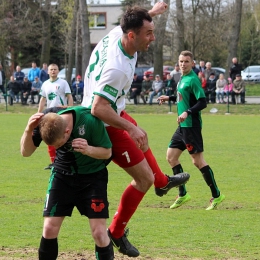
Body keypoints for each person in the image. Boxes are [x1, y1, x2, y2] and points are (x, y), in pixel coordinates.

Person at [82, 4, 190, 257]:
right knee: (144, 179)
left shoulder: (117, 35)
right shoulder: (117, 68)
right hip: (102, 123)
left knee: (140, 136)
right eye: (149, 33)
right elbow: (99, 108)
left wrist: (151, 12)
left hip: (112, 110)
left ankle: (162, 182)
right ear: (132, 35)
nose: (153, 38)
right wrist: (129, 127)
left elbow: (135, 22)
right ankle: (116, 233)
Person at [20, 106, 114, 260]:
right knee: (49, 228)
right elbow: (26, 152)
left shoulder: (89, 120)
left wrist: (88, 149)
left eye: (58, 144)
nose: (56, 148)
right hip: (62, 176)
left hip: (93, 177)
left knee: (99, 233)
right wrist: (28, 130)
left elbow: (107, 152)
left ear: (67, 132)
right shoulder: (46, 121)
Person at [157, 50, 225, 211]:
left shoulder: (193, 79)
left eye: (186, 61)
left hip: (191, 127)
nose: (183, 64)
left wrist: (187, 112)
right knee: (171, 157)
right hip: (182, 127)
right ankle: (183, 194)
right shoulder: (182, 78)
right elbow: (184, 98)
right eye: (181, 61)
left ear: (192, 63)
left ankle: (217, 195)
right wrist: (170, 98)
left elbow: (202, 102)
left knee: (198, 161)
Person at [38, 63, 73, 170]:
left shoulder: (63, 83)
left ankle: (66, 160)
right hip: (49, 113)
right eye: (51, 69)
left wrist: (70, 108)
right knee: (49, 136)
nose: (53, 71)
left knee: (63, 137)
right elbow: (43, 99)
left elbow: (69, 96)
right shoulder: (45, 84)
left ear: (58, 71)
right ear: (48, 71)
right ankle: (53, 162)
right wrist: (39, 113)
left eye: (55, 69)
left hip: (61, 113)